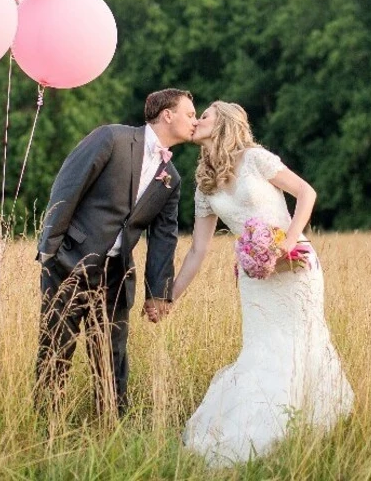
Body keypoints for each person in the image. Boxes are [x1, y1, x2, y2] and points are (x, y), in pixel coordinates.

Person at [173, 101, 354, 466]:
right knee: (262, 349)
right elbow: (198, 250)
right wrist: (168, 297)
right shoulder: (205, 186)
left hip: (295, 268)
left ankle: (303, 429)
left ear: (223, 122)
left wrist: (288, 241)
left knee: (302, 341)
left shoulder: (255, 158)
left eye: (203, 115)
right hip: (255, 279)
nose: (196, 121)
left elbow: (306, 193)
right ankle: (256, 432)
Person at [35, 88, 197, 417]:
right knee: (56, 348)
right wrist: (50, 250)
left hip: (116, 276)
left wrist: (158, 293)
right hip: (70, 261)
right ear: (168, 115)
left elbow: (164, 237)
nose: (195, 121)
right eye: (190, 114)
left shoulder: (172, 179)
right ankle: (46, 426)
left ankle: (111, 426)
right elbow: (68, 186)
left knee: (112, 356)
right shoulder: (112, 138)